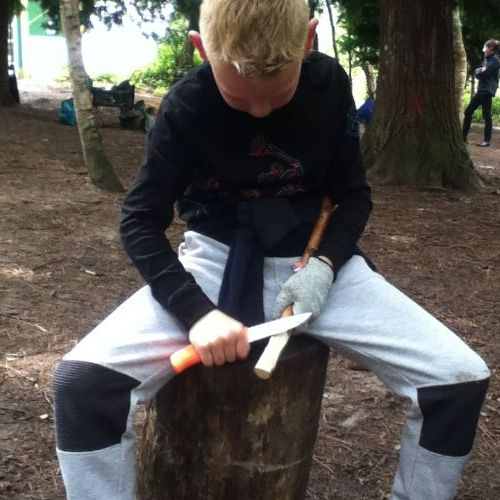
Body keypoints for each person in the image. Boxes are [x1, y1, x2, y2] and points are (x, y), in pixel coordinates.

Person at [52, 1, 490, 499]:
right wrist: (196, 313)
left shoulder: (328, 85)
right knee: (81, 387)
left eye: (277, 95)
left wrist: (326, 264)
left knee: (457, 380)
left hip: (317, 265)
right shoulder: (186, 105)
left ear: (308, 39)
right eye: (239, 98)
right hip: (215, 262)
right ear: (201, 48)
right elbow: (139, 222)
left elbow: (353, 195)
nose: (260, 111)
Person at [463, 39, 500, 147]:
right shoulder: (488, 59)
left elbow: (484, 73)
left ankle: (486, 141)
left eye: (486, 48)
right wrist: (479, 71)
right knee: (468, 111)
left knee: (486, 115)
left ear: (492, 49)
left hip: (487, 91)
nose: (484, 50)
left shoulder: (494, 60)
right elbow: (480, 72)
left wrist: (478, 71)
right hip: (481, 90)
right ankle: (463, 137)